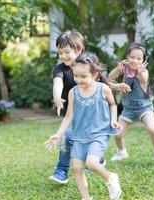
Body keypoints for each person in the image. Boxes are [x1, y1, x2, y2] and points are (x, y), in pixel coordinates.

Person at [45, 52, 123, 200]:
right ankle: (86, 198)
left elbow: (113, 104)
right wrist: (58, 134)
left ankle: (111, 178)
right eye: (76, 76)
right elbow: (69, 116)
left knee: (92, 163)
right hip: (79, 135)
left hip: (98, 134)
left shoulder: (103, 89)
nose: (78, 80)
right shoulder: (73, 92)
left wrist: (113, 120)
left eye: (83, 76)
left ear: (95, 74)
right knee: (76, 168)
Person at [49, 30, 105, 185]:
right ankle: (61, 171)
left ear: (79, 50)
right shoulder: (60, 69)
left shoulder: (87, 66)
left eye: (66, 52)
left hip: (93, 114)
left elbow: (103, 83)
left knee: (89, 138)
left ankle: (97, 158)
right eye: (60, 52)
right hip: (74, 113)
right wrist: (56, 97)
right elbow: (57, 82)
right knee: (66, 137)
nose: (63, 56)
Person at [108, 42, 154, 167]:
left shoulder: (143, 71)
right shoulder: (123, 70)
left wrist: (140, 72)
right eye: (132, 57)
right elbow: (109, 78)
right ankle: (121, 152)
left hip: (144, 107)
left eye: (139, 58)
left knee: (151, 128)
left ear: (143, 61)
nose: (135, 60)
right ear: (127, 58)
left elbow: (144, 80)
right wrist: (118, 69)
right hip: (128, 108)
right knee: (117, 132)